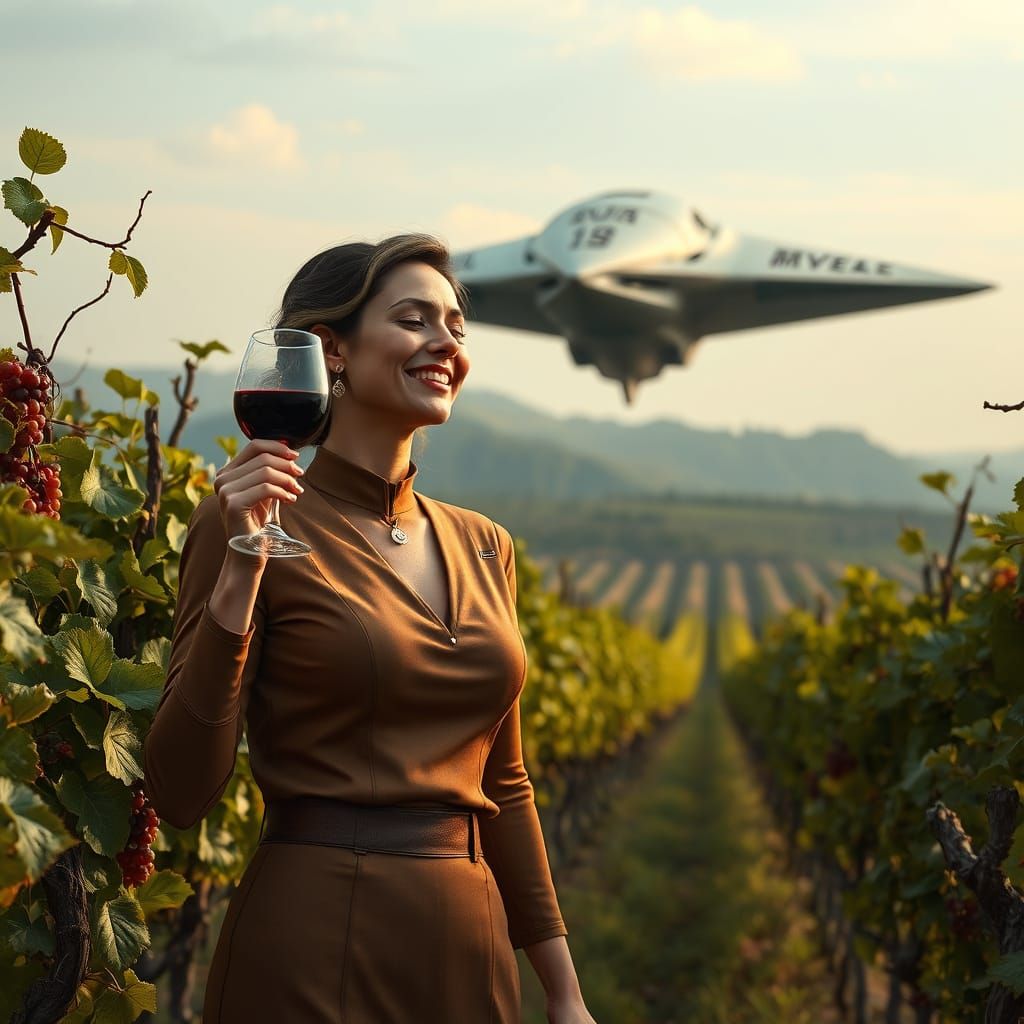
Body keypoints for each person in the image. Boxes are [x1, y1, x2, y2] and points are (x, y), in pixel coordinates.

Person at [143, 234, 598, 1023]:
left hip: (471, 949)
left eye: (457, 326)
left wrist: (563, 990)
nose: (445, 344)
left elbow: (505, 785)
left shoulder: (486, 544)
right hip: (313, 945)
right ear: (333, 351)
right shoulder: (244, 522)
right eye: (415, 319)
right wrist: (241, 576)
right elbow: (181, 791)